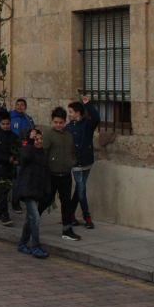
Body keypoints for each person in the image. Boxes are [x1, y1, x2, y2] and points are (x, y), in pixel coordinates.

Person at [41, 107, 81, 241]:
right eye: (56, 122)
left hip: (65, 174)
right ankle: (32, 219)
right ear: (52, 121)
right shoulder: (48, 134)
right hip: (52, 175)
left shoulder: (69, 135)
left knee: (66, 203)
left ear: (65, 122)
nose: (58, 125)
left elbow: (72, 152)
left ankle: (67, 230)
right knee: (46, 200)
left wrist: (72, 162)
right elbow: (43, 153)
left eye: (61, 122)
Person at [16, 129, 50, 259]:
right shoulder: (28, 150)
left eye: (41, 138)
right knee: (35, 218)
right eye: (36, 139)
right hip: (27, 189)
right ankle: (35, 246)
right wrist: (30, 142)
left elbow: (45, 173)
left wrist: (47, 190)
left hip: (37, 190)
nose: (39, 141)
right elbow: (24, 157)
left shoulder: (43, 154)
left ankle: (22, 243)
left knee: (30, 219)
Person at [67, 97, 101, 229]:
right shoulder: (68, 127)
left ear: (78, 113)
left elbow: (97, 118)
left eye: (71, 111)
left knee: (79, 190)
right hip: (75, 164)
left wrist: (88, 104)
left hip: (87, 161)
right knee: (81, 190)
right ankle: (87, 218)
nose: (69, 114)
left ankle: (70, 215)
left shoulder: (87, 124)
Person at [0, 110, 20, 226]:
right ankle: (5, 215)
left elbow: (18, 150)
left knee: (5, 192)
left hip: (9, 169)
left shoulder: (14, 136)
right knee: (2, 191)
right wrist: (6, 158)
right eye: (4, 124)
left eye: (8, 124)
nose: (6, 126)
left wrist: (16, 159)